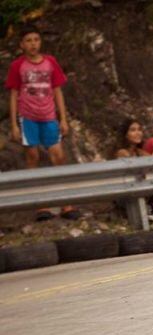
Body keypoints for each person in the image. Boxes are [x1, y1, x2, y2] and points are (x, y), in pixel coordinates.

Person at [5, 25, 79, 221]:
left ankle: (66, 203)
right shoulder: (18, 66)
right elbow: (13, 94)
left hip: (48, 116)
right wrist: (14, 124)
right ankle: (41, 205)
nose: (33, 44)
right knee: (32, 157)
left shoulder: (50, 62)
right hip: (28, 117)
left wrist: (63, 118)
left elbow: (57, 90)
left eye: (36, 40)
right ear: (22, 44)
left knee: (58, 156)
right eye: (28, 40)